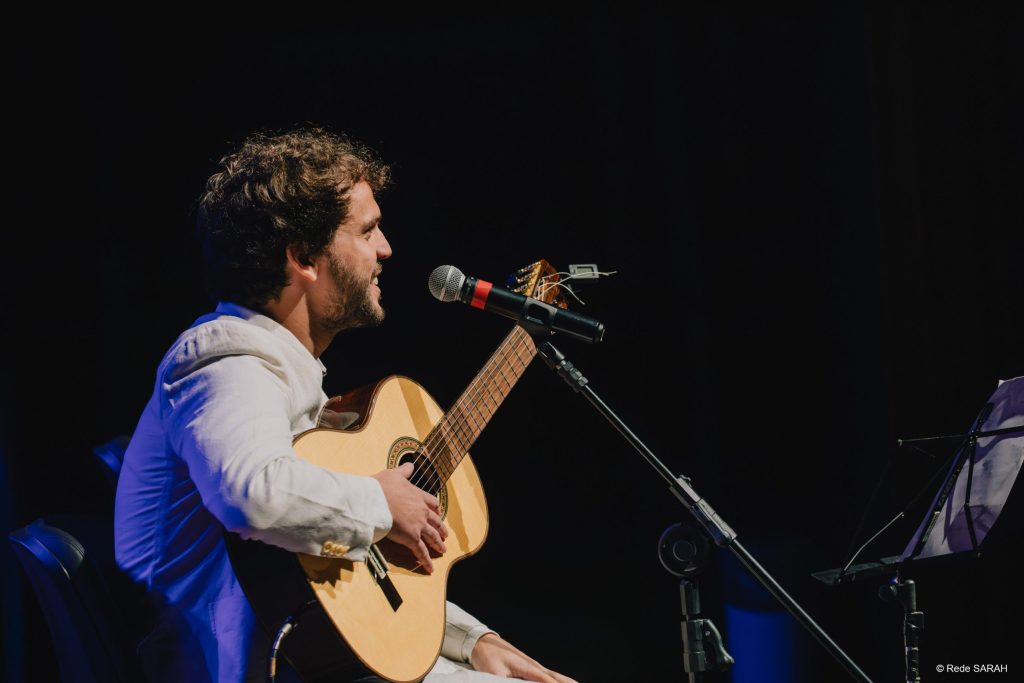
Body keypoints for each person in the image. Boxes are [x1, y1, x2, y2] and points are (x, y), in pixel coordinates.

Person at [114, 128, 576, 683]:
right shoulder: (227, 359)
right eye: (367, 230)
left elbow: (335, 579)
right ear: (304, 257)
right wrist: (382, 501)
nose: (386, 249)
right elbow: (251, 494)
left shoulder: (282, 369)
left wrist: (472, 642)